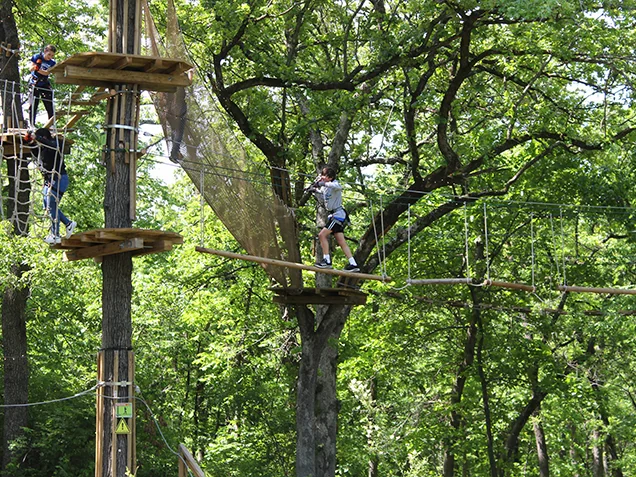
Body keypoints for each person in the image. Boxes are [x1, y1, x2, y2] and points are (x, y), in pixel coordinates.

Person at [309, 167, 360, 272]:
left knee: (322, 235)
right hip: (335, 215)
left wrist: (322, 184)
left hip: (338, 215)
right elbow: (323, 194)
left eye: (324, 176)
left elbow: (337, 186)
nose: (322, 177)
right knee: (341, 242)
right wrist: (314, 190)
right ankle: (353, 264)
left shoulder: (335, 184)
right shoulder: (326, 187)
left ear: (330, 177)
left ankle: (327, 261)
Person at [33, 128, 76, 244]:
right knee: (47, 204)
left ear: (44, 138)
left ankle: (55, 234)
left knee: (52, 203)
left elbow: (51, 145)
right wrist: (29, 140)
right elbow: (33, 152)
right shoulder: (42, 150)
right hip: (50, 180)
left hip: (59, 178)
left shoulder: (55, 145)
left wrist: (37, 137)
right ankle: (68, 223)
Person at [27, 44, 57, 126]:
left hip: (44, 83)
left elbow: (47, 72)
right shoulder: (37, 57)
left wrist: (38, 69)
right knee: (33, 105)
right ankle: (31, 124)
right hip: (35, 82)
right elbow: (31, 68)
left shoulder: (52, 63)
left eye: (52, 55)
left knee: (49, 104)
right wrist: (36, 67)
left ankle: (51, 124)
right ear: (45, 51)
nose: (50, 57)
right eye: (49, 54)